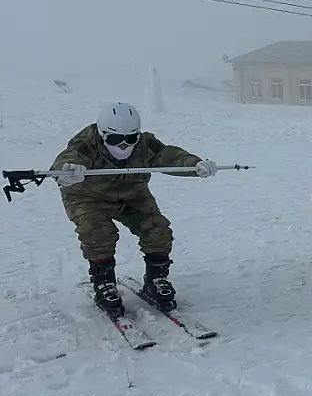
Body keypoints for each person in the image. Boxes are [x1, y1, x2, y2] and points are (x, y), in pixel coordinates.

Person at [50, 102, 219, 316]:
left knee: (157, 228)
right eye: (114, 139)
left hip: (132, 194)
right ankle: (104, 284)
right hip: (88, 197)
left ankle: (155, 279)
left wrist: (195, 165)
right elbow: (67, 159)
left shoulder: (145, 144)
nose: (123, 145)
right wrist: (67, 172)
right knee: (97, 232)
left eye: (130, 138)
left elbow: (168, 155)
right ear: (102, 134)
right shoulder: (85, 143)